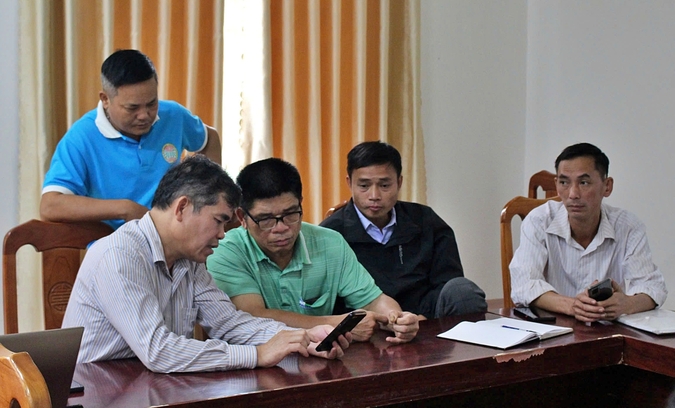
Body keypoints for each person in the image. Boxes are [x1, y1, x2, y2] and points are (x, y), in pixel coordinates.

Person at [62, 155, 349, 373]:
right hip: (99, 392)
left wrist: (300, 338)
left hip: (155, 387)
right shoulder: (118, 256)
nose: (223, 234)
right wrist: (258, 354)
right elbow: (157, 350)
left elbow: (229, 323)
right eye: (219, 220)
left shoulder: (190, 259)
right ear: (182, 207)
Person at [207, 158, 419, 344]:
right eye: (266, 219)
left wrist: (396, 319)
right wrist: (339, 325)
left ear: (301, 204)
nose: (280, 228)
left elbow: (373, 300)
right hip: (253, 367)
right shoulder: (225, 252)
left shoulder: (330, 243)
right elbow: (253, 317)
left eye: (291, 214)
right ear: (242, 217)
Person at [40, 49, 221, 230]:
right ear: (105, 99)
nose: (144, 115)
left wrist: (207, 197)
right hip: (114, 246)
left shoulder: (173, 115)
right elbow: (50, 205)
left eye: (151, 103)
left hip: (175, 240)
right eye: (132, 108)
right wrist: (124, 209)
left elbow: (210, 139)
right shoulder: (82, 137)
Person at [320, 141, 487, 319]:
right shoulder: (331, 234)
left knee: (463, 292)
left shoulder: (426, 220)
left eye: (384, 185)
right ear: (349, 183)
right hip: (366, 323)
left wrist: (424, 320)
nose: (374, 196)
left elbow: (447, 281)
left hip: (426, 317)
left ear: (399, 182)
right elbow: (330, 303)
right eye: (364, 186)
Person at [510, 142, 667, 322]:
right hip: (553, 331)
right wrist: (573, 306)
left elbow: (653, 287)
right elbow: (523, 285)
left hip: (608, 333)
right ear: (556, 184)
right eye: (564, 182)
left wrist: (626, 304)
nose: (573, 194)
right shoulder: (539, 220)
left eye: (584, 182)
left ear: (607, 186)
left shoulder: (628, 226)